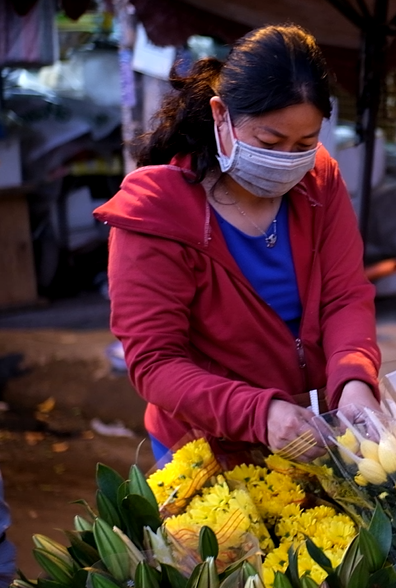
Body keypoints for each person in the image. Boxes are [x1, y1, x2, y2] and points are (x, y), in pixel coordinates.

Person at [94, 24, 381, 462]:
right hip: (206, 441)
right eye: (269, 141)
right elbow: (156, 363)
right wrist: (260, 414)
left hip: (316, 428)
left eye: (304, 143)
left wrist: (354, 381)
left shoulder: (319, 179)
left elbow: (344, 296)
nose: (287, 161)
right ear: (220, 115)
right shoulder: (153, 213)